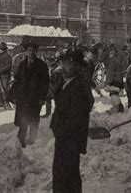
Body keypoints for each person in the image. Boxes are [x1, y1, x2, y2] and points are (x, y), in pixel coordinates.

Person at [50, 47, 94, 193]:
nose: (63, 66)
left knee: (67, 175)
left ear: (76, 65)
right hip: (64, 137)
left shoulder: (79, 85)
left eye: (67, 63)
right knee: (61, 173)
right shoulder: (69, 81)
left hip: (70, 138)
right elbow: (57, 99)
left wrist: (62, 131)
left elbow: (77, 115)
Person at [12, 42, 49, 147]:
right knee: (23, 118)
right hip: (23, 97)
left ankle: (33, 140)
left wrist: (42, 98)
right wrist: (15, 95)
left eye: (33, 50)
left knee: (34, 119)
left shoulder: (42, 65)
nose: (31, 52)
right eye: (29, 50)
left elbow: (45, 83)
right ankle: (21, 139)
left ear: (36, 51)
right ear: (26, 51)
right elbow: (18, 81)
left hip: (35, 98)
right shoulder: (22, 64)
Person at [104, 45, 124, 113]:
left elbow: (111, 73)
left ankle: (119, 107)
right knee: (114, 94)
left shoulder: (112, 61)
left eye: (110, 53)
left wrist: (108, 82)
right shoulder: (118, 60)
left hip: (114, 81)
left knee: (113, 94)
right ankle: (115, 108)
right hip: (119, 80)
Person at [0, 42, 13, 110]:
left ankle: (6, 103)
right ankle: (0, 103)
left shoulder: (8, 56)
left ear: (1, 49)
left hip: (4, 76)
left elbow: (8, 67)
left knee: (4, 89)